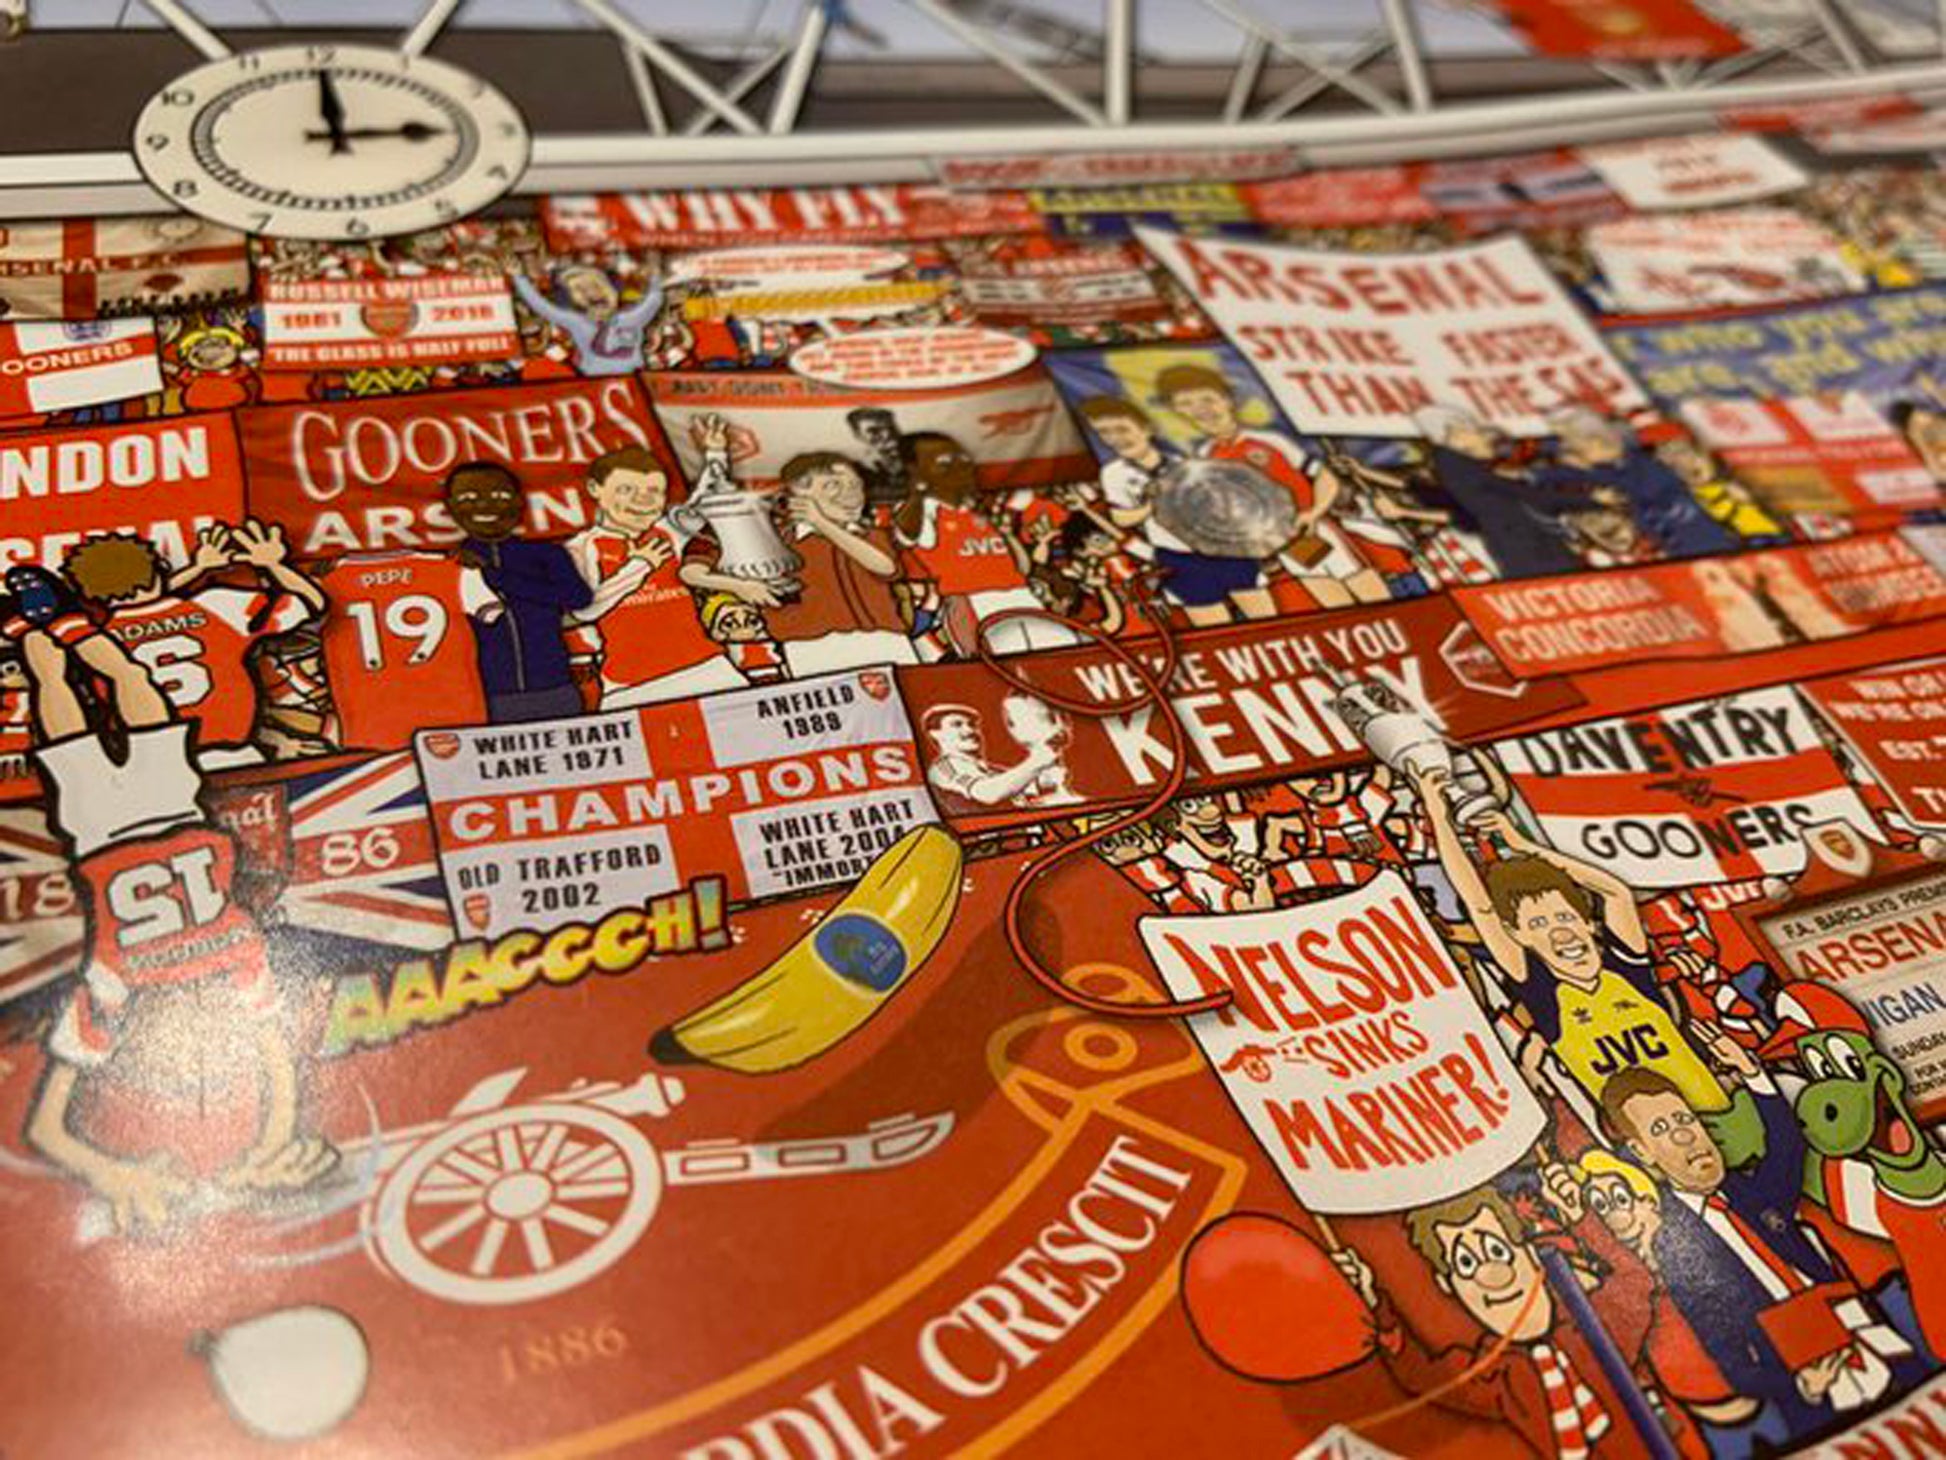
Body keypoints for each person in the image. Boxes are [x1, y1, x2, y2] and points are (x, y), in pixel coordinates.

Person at [7, 566, 335, 1236]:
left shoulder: (111, 985)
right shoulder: (237, 963)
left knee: (61, 703)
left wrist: (112, 1172)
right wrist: (275, 1142)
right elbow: (278, 1058)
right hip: (176, 815)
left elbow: (46, 1127)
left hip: (103, 835)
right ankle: (56, 619)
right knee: (133, 685)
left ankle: (29, 628)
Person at [1602, 1063, 1909, 1444]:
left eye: (1684, 1118)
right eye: (1660, 1129)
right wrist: (1800, 1384)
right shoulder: (1670, 1244)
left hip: (1872, 1340)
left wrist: (1753, 1076)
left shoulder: (1751, 1191)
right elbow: (1727, 1353)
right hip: (1813, 1399)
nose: (1684, 1135)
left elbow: (1787, 1145)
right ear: (1642, 1151)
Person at [1415, 766, 1729, 1118]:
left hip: (1718, 1113)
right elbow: (1480, 905)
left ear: (1586, 921)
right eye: (1538, 923)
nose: (1559, 931)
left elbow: (1616, 893)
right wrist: (1438, 815)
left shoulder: (1626, 966)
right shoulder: (1542, 989)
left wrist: (1525, 846)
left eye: (1564, 917)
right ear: (1518, 934)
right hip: (1648, 1139)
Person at [1333, 1185, 1650, 1460]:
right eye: (1466, 1263)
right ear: (1448, 1285)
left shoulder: (1589, 1323)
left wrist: (1583, 1218)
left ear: (1527, 1252)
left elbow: (1636, 1284)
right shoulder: (1494, 1372)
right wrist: (1375, 1304)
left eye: (1498, 1250)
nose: (1494, 1276)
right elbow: (1424, 1375)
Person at [63, 522, 324, 767]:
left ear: (89, 594)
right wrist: (274, 565)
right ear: (159, 567)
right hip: (230, 752)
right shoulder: (216, 606)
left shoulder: (95, 642)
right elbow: (312, 602)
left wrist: (196, 569)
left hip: (155, 766)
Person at [1155, 363, 1387, 610]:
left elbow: (1325, 474)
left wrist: (1314, 513)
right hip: (1281, 547)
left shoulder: (1269, 440)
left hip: (1314, 532)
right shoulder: (1203, 458)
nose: (1200, 409)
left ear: (1227, 399)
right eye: (1186, 403)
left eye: (1207, 399)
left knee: (1369, 592)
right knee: (1335, 606)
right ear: (1177, 410)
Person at [564, 443, 728, 707]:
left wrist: (716, 453)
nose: (643, 500)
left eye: (654, 491)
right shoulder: (581, 547)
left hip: (708, 666)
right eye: (626, 490)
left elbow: (705, 500)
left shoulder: (669, 530)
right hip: (631, 684)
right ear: (595, 489)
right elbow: (586, 610)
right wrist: (640, 566)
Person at [1078, 395, 1260, 627]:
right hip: (1178, 558)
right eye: (1105, 432)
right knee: (1216, 628)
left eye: (1122, 429)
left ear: (1146, 428)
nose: (1115, 438)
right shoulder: (1114, 473)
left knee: (1264, 617)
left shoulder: (1182, 460)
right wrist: (1151, 504)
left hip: (1222, 547)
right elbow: (1120, 518)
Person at [445, 462, 593, 723]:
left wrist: (494, 576)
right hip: (487, 696)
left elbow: (578, 598)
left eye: (500, 496)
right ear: (450, 507)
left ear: (518, 501)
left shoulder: (546, 553)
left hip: (554, 687)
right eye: (468, 498)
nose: (484, 506)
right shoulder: (449, 563)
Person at [892, 431, 1062, 658]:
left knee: (1058, 658)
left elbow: (1022, 566)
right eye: (945, 463)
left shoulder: (987, 510)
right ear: (915, 471)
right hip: (975, 603)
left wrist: (1010, 534)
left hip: (1022, 595)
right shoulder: (925, 509)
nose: (960, 467)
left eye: (962, 459)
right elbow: (905, 533)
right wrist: (918, 493)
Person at [1413, 405, 1613, 580]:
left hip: (1524, 545)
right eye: (1475, 430)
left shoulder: (1460, 467)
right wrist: (1592, 500)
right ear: (1457, 433)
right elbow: (1531, 496)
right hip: (1529, 549)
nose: (1484, 437)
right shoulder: (1459, 468)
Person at [770, 450, 911, 675]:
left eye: (855, 485)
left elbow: (886, 568)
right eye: (833, 485)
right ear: (798, 495)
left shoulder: (870, 536)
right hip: (813, 646)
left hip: (886, 637)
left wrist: (822, 522)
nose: (851, 495)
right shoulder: (782, 544)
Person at [1538, 409, 1737, 561]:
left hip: (1712, 552)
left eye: (1575, 447)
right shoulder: (1604, 471)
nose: (1573, 453)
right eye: (1572, 448)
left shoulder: (1646, 464)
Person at [512, 264, 663, 378]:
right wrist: (519, 278)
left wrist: (655, 277)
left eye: (595, 287)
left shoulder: (633, 317)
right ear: (578, 299)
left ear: (608, 289)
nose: (591, 293)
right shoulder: (577, 322)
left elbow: (654, 300)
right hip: (594, 383)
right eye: (582, 290)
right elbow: (543, 307)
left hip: (634, 379)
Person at [920, 704, 1065, 812]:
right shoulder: (943, 767)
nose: (969, 730)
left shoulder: (995, 772)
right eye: (957, 725)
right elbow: (989, 794)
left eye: (972, 725)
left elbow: (1042, 786)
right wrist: (1038, 761)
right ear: (935, 734)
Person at [847, 405, 911, 510]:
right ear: (858, 435)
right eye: (874, 431)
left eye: (891, 428)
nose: (887, 434)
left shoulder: (917, 462)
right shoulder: (854, 471)